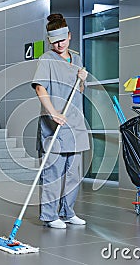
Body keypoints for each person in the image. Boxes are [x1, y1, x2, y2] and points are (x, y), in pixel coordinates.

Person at [32, 13, 90, 229]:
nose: (59, 44)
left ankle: (68, 212)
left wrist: (82, 80)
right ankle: (49, 215)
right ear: (50, 41)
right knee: (54, 172)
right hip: (54, 123)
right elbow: (40, 87)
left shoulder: (77, 58)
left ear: (69, 36)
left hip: (75, 123)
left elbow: (80, 91)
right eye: (55, 41)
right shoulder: (46, 59)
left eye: (62, 40)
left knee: (74, 173)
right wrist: (53, 112)